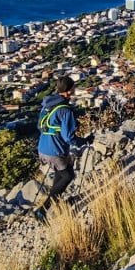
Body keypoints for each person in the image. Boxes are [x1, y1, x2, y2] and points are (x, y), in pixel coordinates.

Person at [35, 75, 81, 221]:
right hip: (56, 149)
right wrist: (83, 140)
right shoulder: (65, 110)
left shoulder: (47, 104)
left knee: (60, 174)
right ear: (69, 91)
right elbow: (68, 137)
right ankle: (43, 209)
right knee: (68, 176)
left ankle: (55, 202)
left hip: (43, 147)